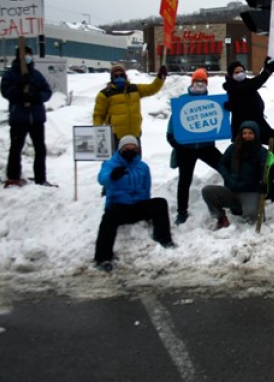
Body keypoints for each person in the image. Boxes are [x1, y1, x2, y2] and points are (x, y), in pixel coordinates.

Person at [94, 135, 175, 272]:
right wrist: (112, 175)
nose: (130, 150)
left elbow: (146, 188)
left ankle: (164, 239)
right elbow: (102, 179)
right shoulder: (110, 164)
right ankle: (102, 258)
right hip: (120, 206)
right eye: (127, 148)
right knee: (108, 219)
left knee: (160, 203)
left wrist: (146, 206)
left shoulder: (143, 167)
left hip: (138, 205)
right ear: (120, 149)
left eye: (133, 148)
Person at [223, 57, 274, 196]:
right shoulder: (234, 87)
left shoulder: (244, 84)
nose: (240, 73)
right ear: (230, 75)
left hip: (259, 124)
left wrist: (266, 70)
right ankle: (258, 181)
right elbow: (253, 84)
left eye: (242, 71)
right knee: (252, 157)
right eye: (236, 72)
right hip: (246, 130)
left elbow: (252, 84)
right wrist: (267, 72)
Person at [166, 68, 222, 224]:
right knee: (184, 181)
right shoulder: (182, 101)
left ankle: (232, 200)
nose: (200, 84)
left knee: (225, 167)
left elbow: (220, 121)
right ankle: (181, 212)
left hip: (206, 146)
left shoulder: (211, 103)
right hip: (186, 149)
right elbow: (171, 127)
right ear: (192, 82)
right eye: (197, 81)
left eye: (203, 81)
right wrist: (176, 144)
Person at [0, 46, 53, 187]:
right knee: (16, 147)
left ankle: (40, 178)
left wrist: (37, 96)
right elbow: (6, 92)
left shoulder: (36, 74)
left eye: (29, 55)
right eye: (25, 55)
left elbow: (47, 92)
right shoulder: (10, 74)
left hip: (36, 117)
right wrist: (19, 87)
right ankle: (13, 176)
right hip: (19, 117)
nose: (28, 58)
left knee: (40, 148)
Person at [201, 121, 267, 230]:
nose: (247, 136)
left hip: (250, 191)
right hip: (232, 190)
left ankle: (248, 209)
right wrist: (228, 177)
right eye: (244, 133)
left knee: (252, 221)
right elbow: (222, 164)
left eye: (250, 133)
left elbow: (266, 171)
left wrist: (264, 182)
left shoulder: (262, 152)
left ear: (256, 134)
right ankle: (221, 218)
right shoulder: (233, 148)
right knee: (207, 191)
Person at [93, 63, 167, 150]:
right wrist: (98, 133)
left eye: (121, 75)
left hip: (134, 135)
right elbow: (98, 115)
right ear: (112, 78)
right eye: (116, 76)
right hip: (115, 137)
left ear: (125, 76)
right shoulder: (105, 94)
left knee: (135, 163)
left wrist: (160, 78)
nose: (119, 77)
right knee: (117, 163)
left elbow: (152, 88)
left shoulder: (135, 89)